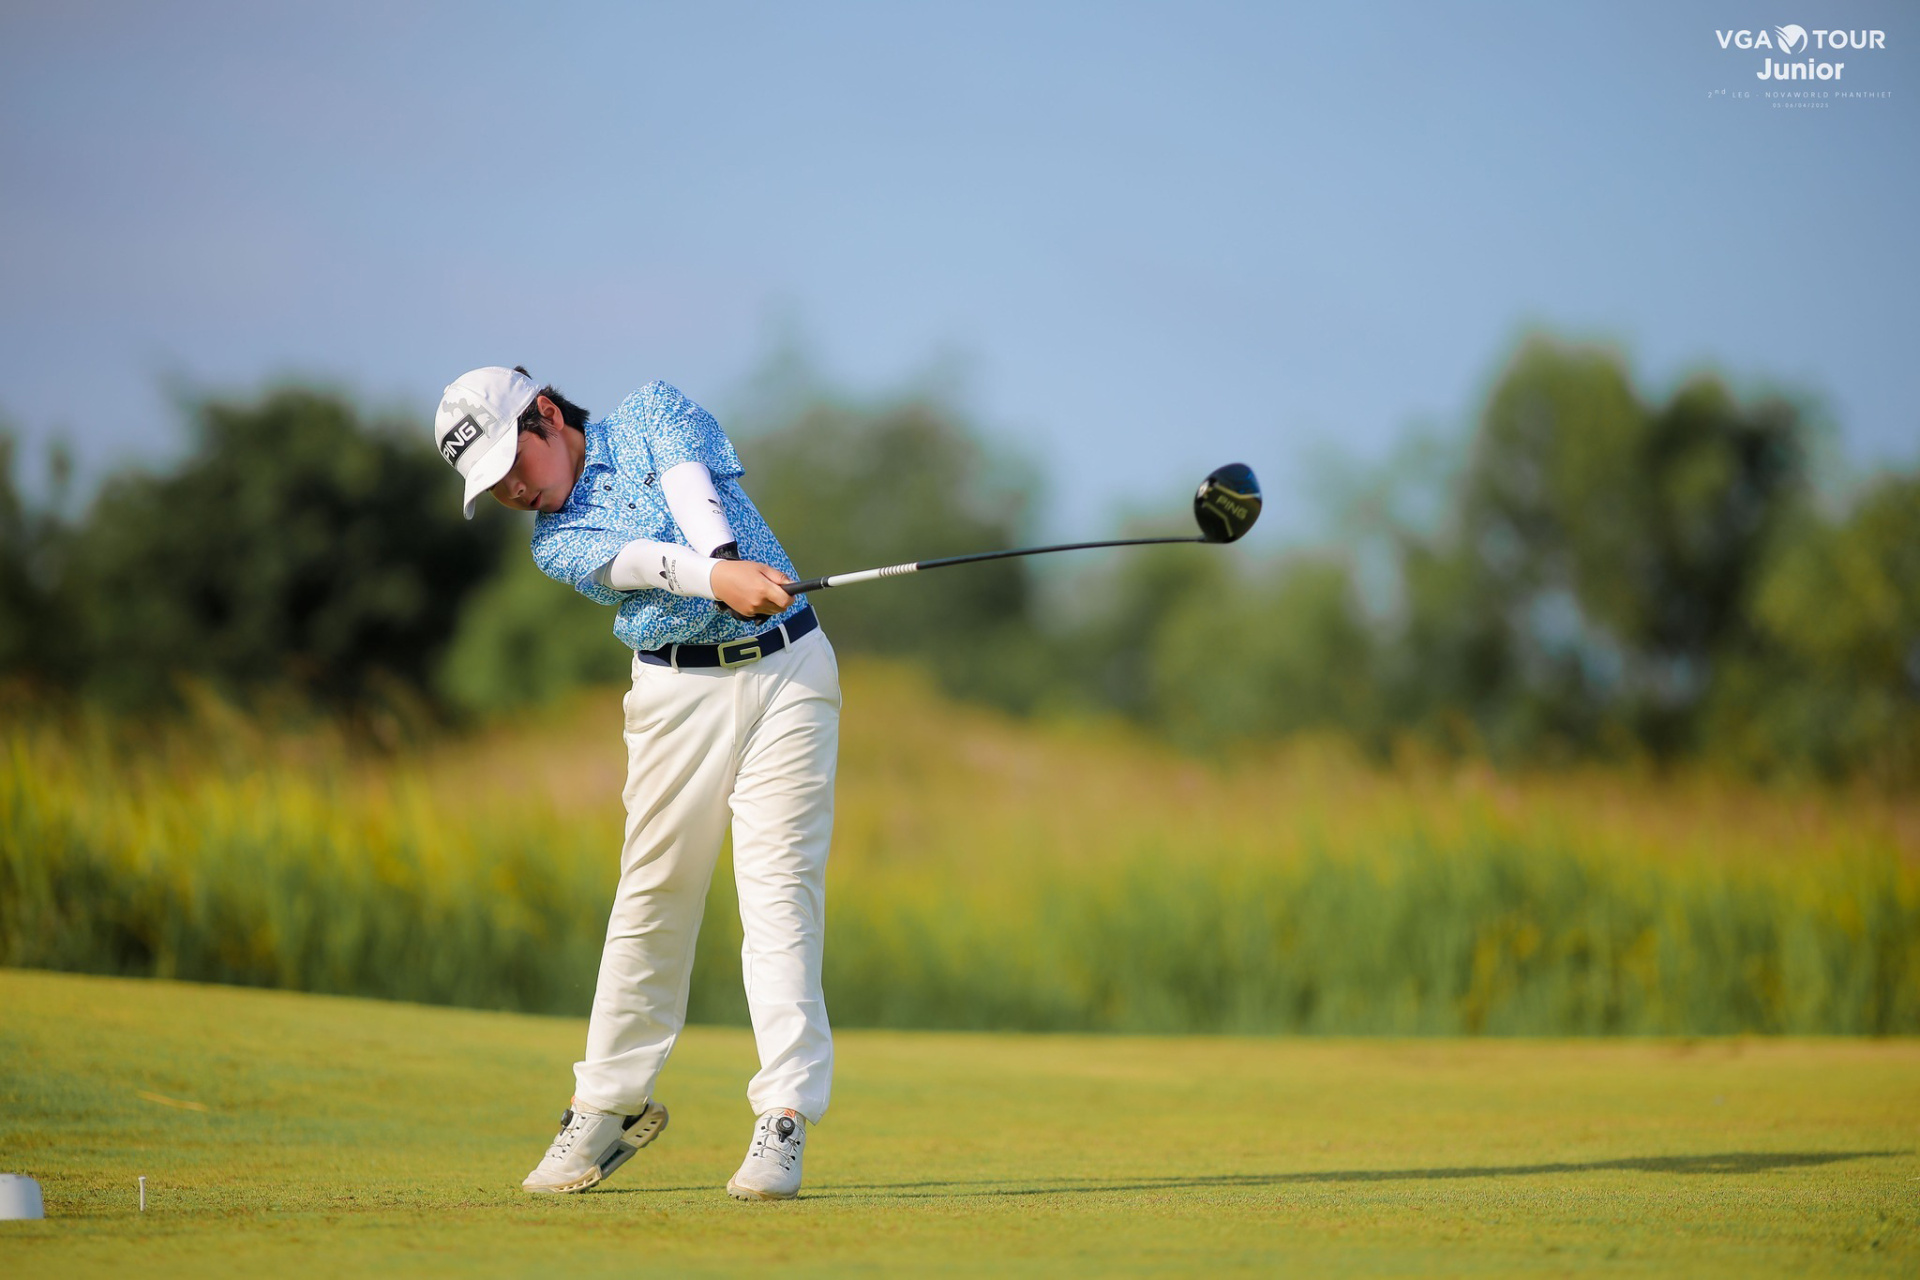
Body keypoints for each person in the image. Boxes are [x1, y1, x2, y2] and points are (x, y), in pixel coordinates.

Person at [431, 365, 839, 1202]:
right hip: (676, 692)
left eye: (512, 462)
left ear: (547, 415)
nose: (511, 489)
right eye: (492, 484)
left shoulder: (653, 408)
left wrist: (725, 559)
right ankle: (605, 1106)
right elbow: (641, 562)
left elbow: (690, 488)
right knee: (654, 894)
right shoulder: (554, 542)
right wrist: (716, 578)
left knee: (778, 892)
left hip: (790, 670)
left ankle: (784, 1118)